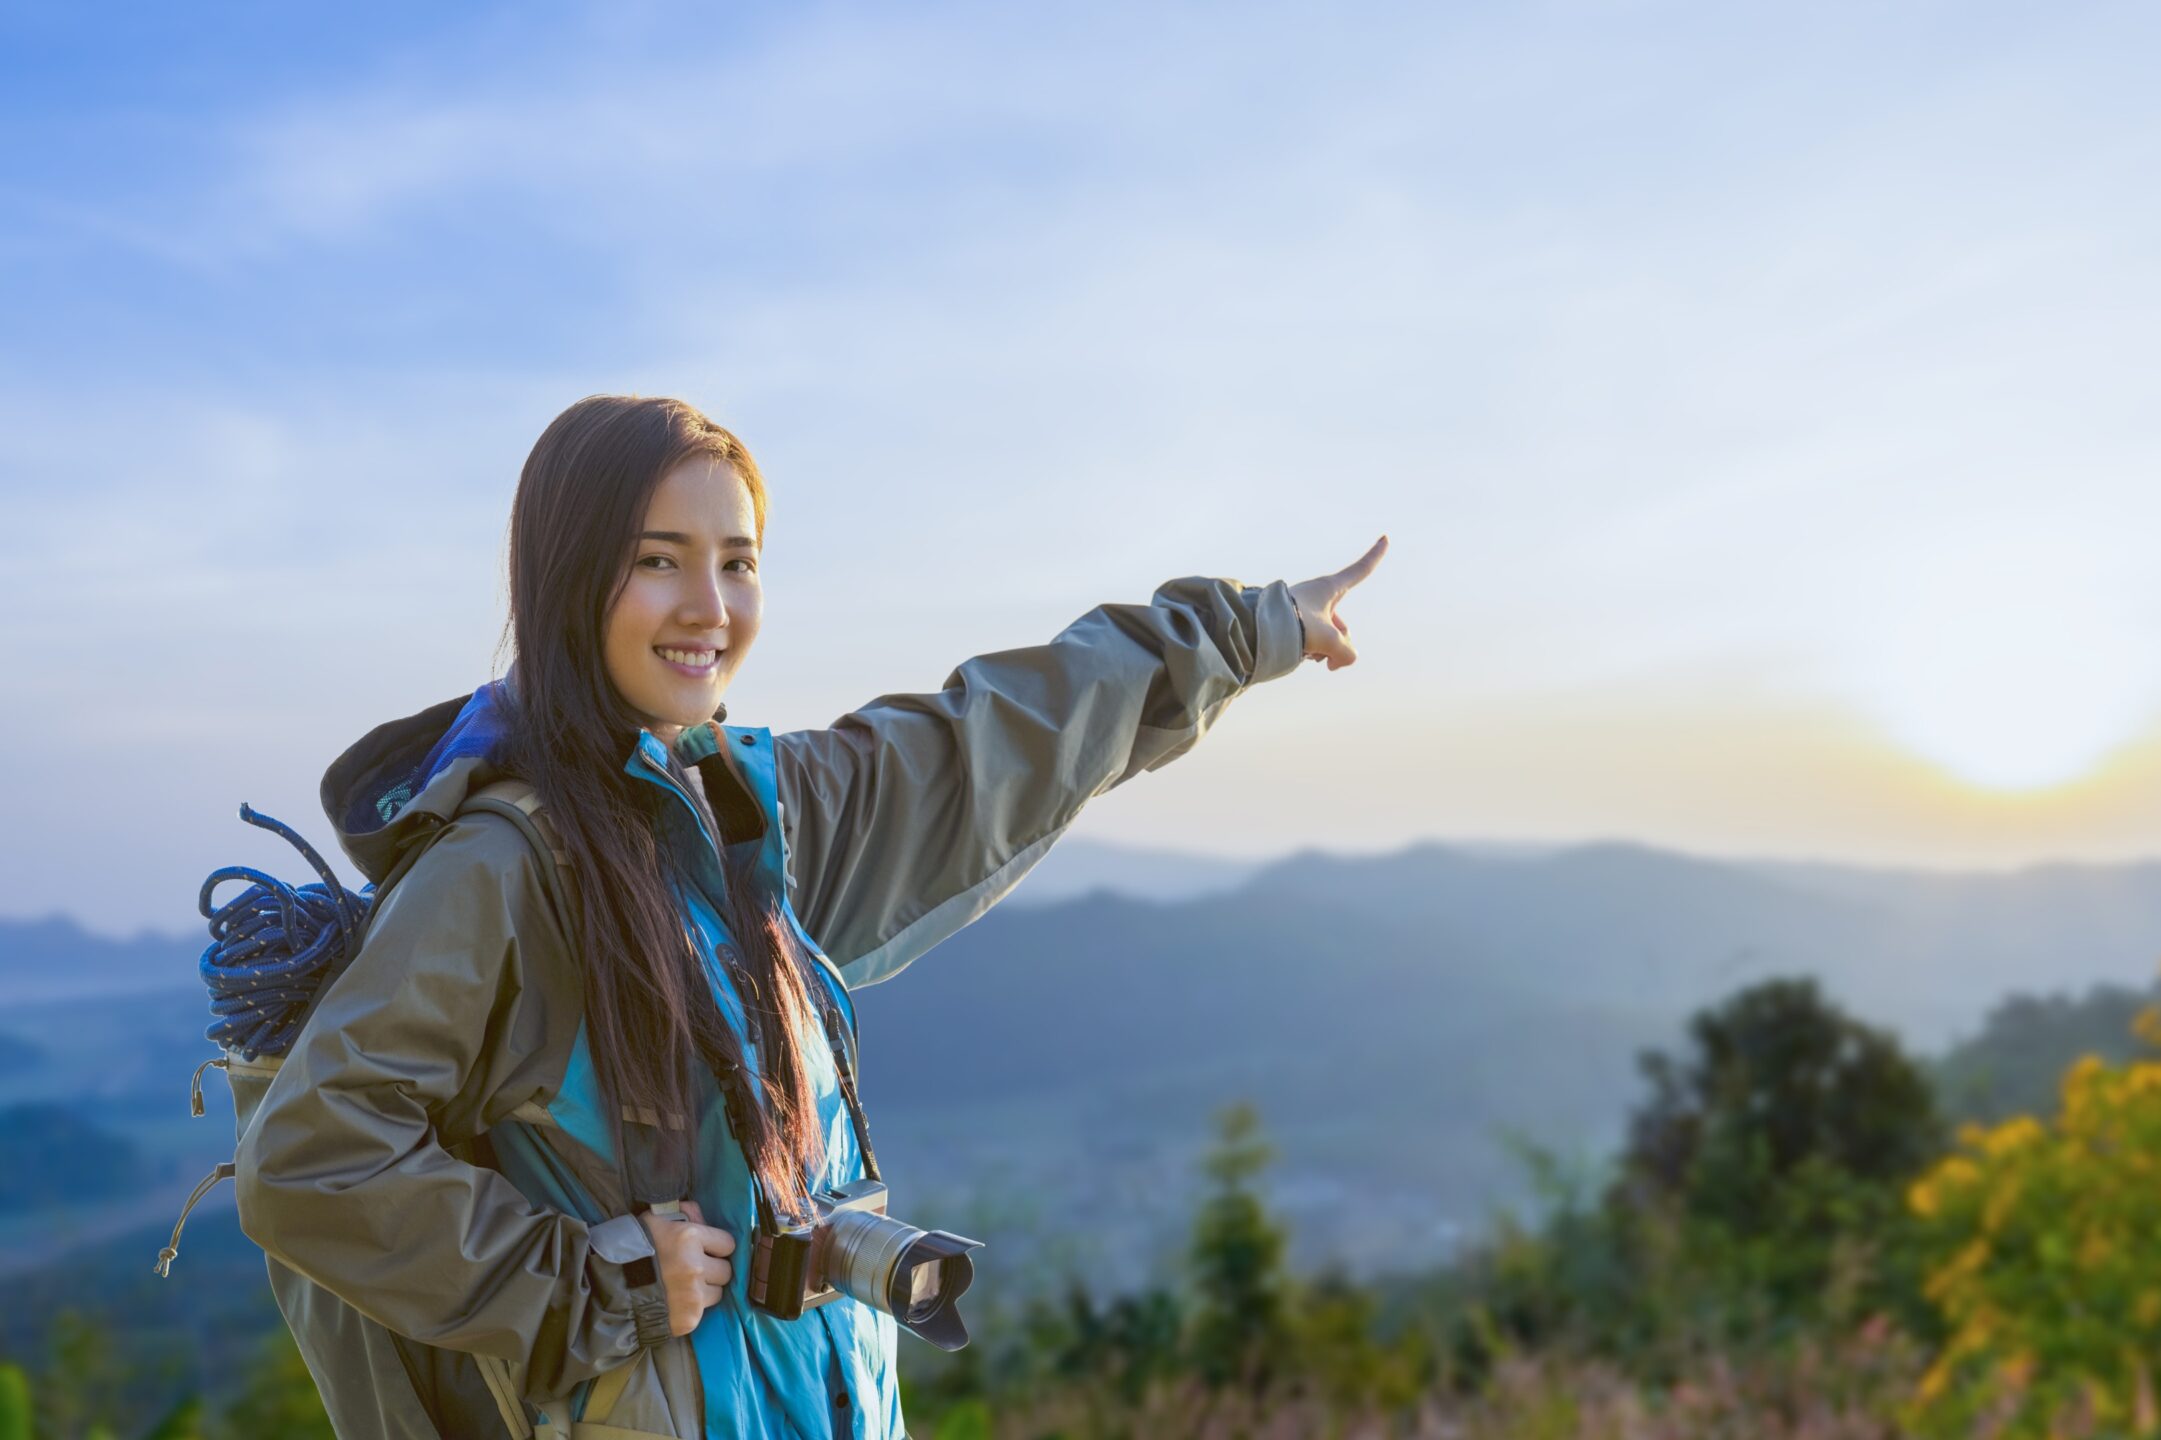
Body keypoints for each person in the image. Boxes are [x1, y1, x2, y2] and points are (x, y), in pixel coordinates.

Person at [233, 393, 1385, 1438]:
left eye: (738, 563)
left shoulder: (747, 815)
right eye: (657, 561)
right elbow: (311, 1155)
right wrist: (593, 1285)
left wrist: (1250, 630)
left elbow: (984, 742)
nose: (710, 608)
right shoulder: (502, 868)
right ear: (567, 578)